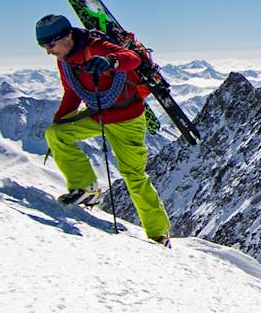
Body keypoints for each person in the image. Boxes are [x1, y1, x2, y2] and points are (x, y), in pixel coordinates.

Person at [36, 14, 172, 246]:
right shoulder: (65, 60)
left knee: (134, 176)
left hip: (127, 119)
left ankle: (158, 234)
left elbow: (131, 59)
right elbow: (72, 92)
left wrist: (111, 61)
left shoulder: (95, 45)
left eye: (50, 45)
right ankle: (85, 187)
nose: (48, 51)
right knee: (55, 135)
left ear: (67, 36)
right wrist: (60, 120)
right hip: (98, 114)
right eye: (43, 46)